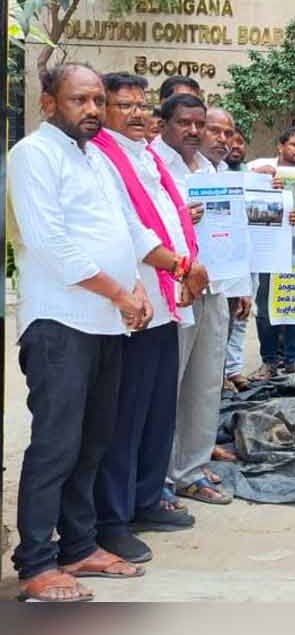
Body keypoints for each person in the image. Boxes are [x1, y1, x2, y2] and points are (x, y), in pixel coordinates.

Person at [8, 63, 153, 601]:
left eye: (97, 100)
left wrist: (135, 289)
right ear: (49, 104)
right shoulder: (33, 156)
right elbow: (49, 242)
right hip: (59, 326)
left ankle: (79, 546)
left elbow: (124, 230)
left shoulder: (96, 158)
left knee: (93, 443)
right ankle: (36, 563)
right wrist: (118, 293)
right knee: (55, 446)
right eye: (79, 100)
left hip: (105, 325)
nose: (92, 110)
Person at [91, 74, 212, 564]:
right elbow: (133, 232)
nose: (139, 114)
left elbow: (170, 217)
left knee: (157, 411)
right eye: (126, 106)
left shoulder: (145, 155)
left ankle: (145, 500)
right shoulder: (103, 157)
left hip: (169, 304)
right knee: (126, 416)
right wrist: (183, 265)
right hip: (136, 303)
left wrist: (187, 266)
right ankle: (113, 519)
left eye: (143, 106)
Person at [150, 97, 239, 507]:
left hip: (215, 285)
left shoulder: (211, 170)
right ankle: (160, 475)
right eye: (185, 123)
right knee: (171, 384)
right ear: (164, 124)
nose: (194, 131)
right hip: (175, 287)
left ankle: (191, 470)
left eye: (199, 124)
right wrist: (180, 216)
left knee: (205, 384)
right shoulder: (151, 164)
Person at [196, 109, 256, 396]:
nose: (223, 140)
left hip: (226, 282)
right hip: (193, 284)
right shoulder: (180, 171)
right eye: (214, 131)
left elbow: (236, 234)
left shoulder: (226, 175)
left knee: (219, 344)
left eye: (228, 134)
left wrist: (242, 286)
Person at [248, 127, 295, 377]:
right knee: (265, 307)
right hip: (268, 252)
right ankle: (270, 360)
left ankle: (293, 359)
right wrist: (258, 179)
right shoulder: (262, 170)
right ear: (281, 147)